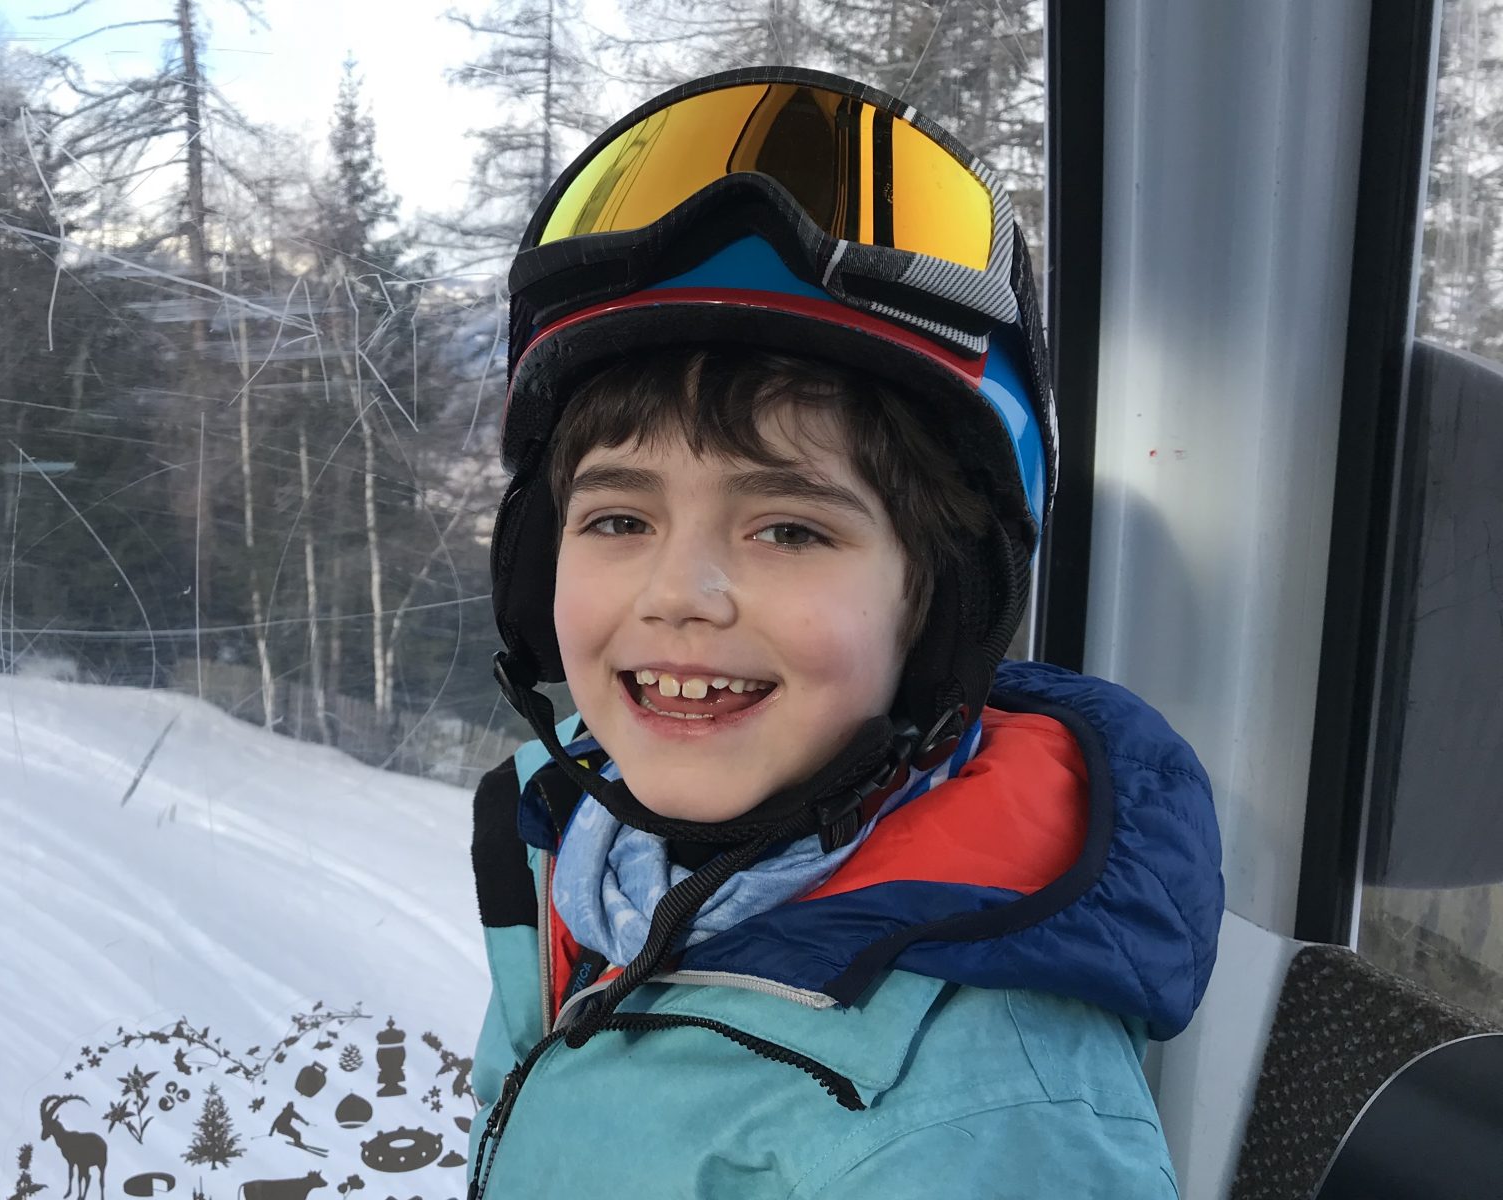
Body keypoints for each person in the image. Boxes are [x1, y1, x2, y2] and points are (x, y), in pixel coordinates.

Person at [465, 67, 1224, 1198]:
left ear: (933, 603)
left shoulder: (979, 1125)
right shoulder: (588, 872)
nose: (682, 593)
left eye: (787, 530)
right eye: (619, 518)